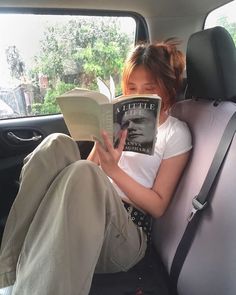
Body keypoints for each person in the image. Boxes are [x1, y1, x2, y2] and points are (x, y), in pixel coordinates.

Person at [0, 39, 192, 295]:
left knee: (86, 172)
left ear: (167, 89)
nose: (138, 94)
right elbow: (86, 169)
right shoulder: (118, 119)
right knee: (56, 144)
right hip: (86, 211)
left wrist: (114, 171)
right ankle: (8, 273)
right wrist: (102, 152)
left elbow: (158, 206)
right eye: (132, 87)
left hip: (127, 235)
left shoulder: (175, 133)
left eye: (149, 87)